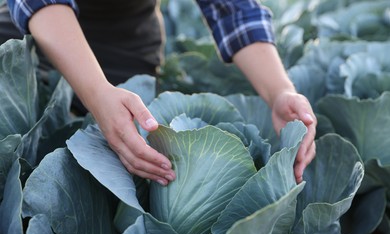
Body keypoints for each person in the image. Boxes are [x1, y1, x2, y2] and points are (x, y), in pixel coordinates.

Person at [2, 0, 316, 186]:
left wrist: (279, 92)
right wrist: (97, 94)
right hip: (30, 31)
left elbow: (233, 9)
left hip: (126, 44)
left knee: (125, 162)